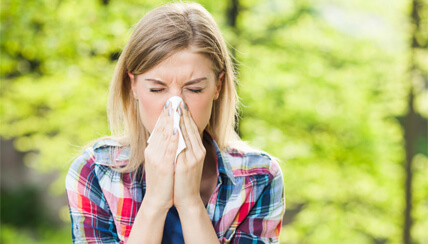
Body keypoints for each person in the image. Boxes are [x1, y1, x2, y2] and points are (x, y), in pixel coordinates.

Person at [66, 2, 285, 243]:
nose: (176, 107)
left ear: (217, 86)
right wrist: (155, 202)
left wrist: (190, 203)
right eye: (157, 89)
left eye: (194, 89)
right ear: (134, 86)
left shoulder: (260, 177)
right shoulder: (95, 172)